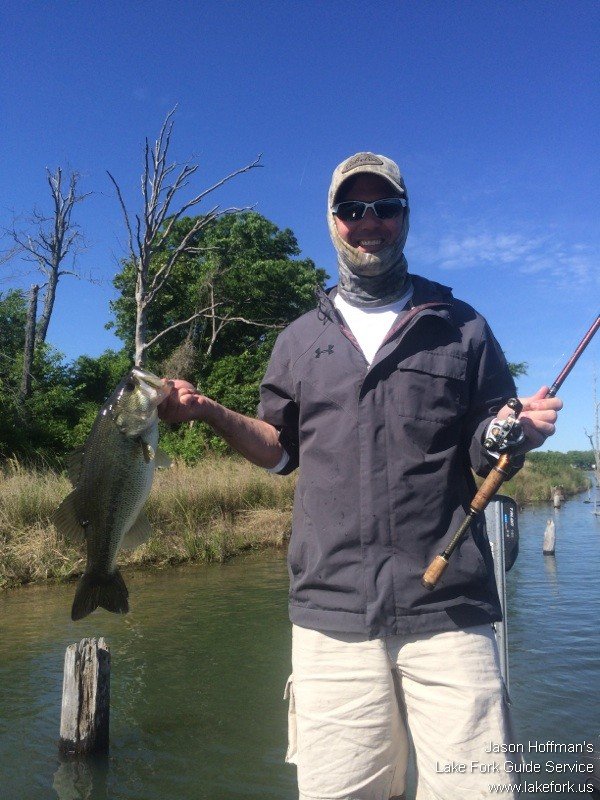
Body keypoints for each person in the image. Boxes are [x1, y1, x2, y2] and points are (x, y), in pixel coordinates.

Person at [159, 152, 562, 800]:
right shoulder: (297, 340)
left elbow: (486, 443)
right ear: (332, 221)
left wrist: (509, 432)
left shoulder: (463, 327)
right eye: (353, 208)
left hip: (450, 612)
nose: (369, 220)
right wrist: (208, 410)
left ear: (405, 216)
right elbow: (280, 450)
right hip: (332, 616)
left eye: (385, 207)